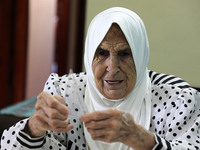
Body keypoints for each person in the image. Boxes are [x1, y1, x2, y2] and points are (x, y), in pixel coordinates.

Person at [1, 7, 200, 150]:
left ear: (140, 55)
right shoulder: (65, 91)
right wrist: (35, 126)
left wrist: (140, 139)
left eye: (124, 54)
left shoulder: (177, 97)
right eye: (102, 53)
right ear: (89, 55)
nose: (112, 69)